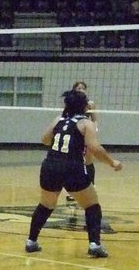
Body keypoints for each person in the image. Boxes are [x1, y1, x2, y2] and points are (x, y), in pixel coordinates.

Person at [25, 90, 122, 258]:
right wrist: (112, 162)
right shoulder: (85, 123)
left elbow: (44, 140)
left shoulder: (58, 120)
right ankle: (94, 244)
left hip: (50, 165)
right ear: (84, 106)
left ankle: (31, 241)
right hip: (72, 167)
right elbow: (95, 148)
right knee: (92, 205)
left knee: (46, 205)